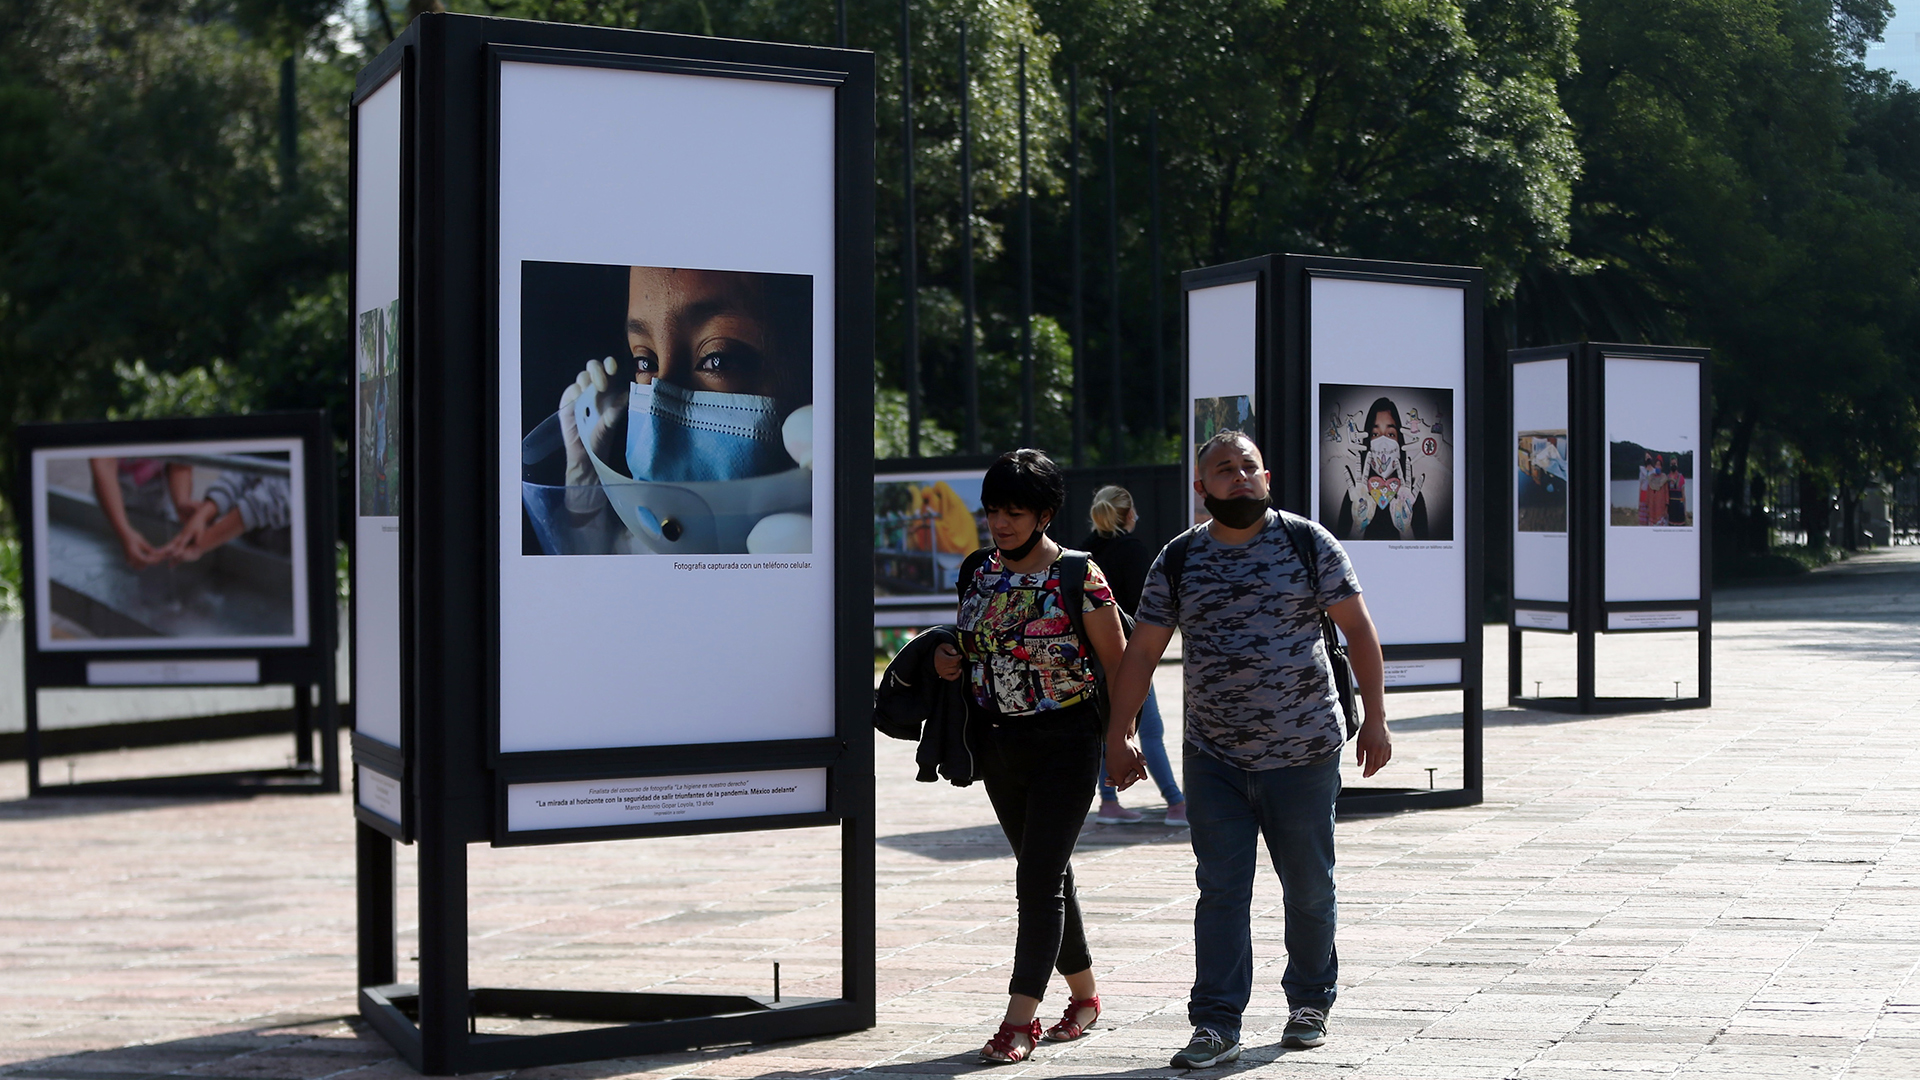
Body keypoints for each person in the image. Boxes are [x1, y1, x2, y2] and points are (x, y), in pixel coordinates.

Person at [1105, 431, 1391, 1068]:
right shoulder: (1178, 560)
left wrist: (1376, 720)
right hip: (1215, 760)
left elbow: (1360, 632)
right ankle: (1215, 1023)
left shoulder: (1307, 543)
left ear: (1268, 477)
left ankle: (1310, 1001)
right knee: (1222, 892)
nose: (1239, 477)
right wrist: (1119, 734)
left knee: (1310, 888)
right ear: (1201, 487)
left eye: (1249, 467)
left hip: (1305, 752)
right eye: (1224, 469)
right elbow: (1143, 652)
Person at [931, 449, 1128, 1064]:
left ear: (1044, 513)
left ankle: (1019, 1021)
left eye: (1015, 512)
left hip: (1068, 742)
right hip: (997, 741)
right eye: (993, 512)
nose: (1002, 524)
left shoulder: (1079, 575)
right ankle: (1086, 998)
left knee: (1036, 879)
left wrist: (1121, 740)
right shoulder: (976, 570)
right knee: (1049, 874)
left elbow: (1121, 665)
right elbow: (968, 643)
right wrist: (947, 660)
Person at [526, 265, 814, 555]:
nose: (656, 432)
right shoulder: (633, 549)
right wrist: (583, 512)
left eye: (717, 360)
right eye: (645, 363)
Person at [1076, 484, 1187, 827]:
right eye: (1133, 509)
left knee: (1107, 725)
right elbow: (1148, 608)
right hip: (1127, 652)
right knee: (1149, 729)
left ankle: (1108, 801)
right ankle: (1175, 802)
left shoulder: (1085, 553)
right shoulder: (1134, 551)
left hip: (1091, 656)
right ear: (1126, 514)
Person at [1334, 397, 1429, 541]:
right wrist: (1358, 527)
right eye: (1375, 434)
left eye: (1390, 434)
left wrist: (1405, 530)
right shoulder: (1354, 493)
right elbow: (1339, 552)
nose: (1383, 442)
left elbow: (1426, 555)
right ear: (1367, 441)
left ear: (1400, 441)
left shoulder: (1413, 496)